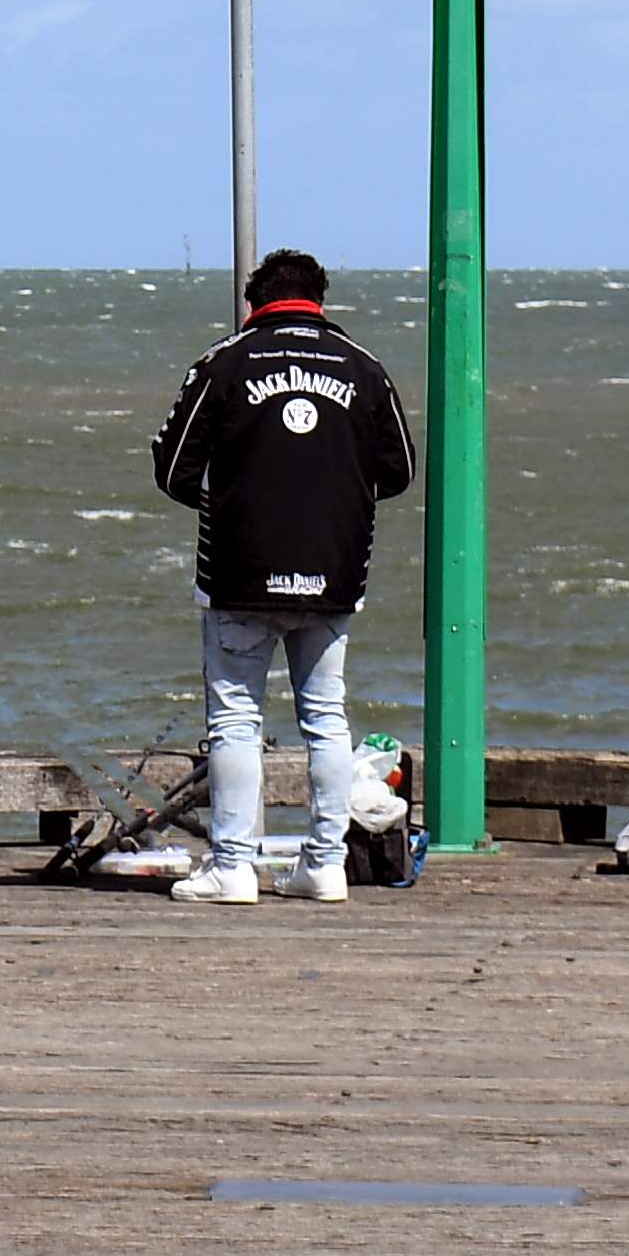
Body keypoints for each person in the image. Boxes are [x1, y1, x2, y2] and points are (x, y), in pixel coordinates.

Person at [145, 249, 417, 905]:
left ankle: (232, 866)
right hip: (333, 571)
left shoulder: (223, 363)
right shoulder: (365, 368)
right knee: (325, 717)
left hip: (239, 571)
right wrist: (338, 499)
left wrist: (228, 501)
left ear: (254, 303)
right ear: (320, 301)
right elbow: (401, 468)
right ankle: (325, 864)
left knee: (236, 719)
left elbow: (173, 466)